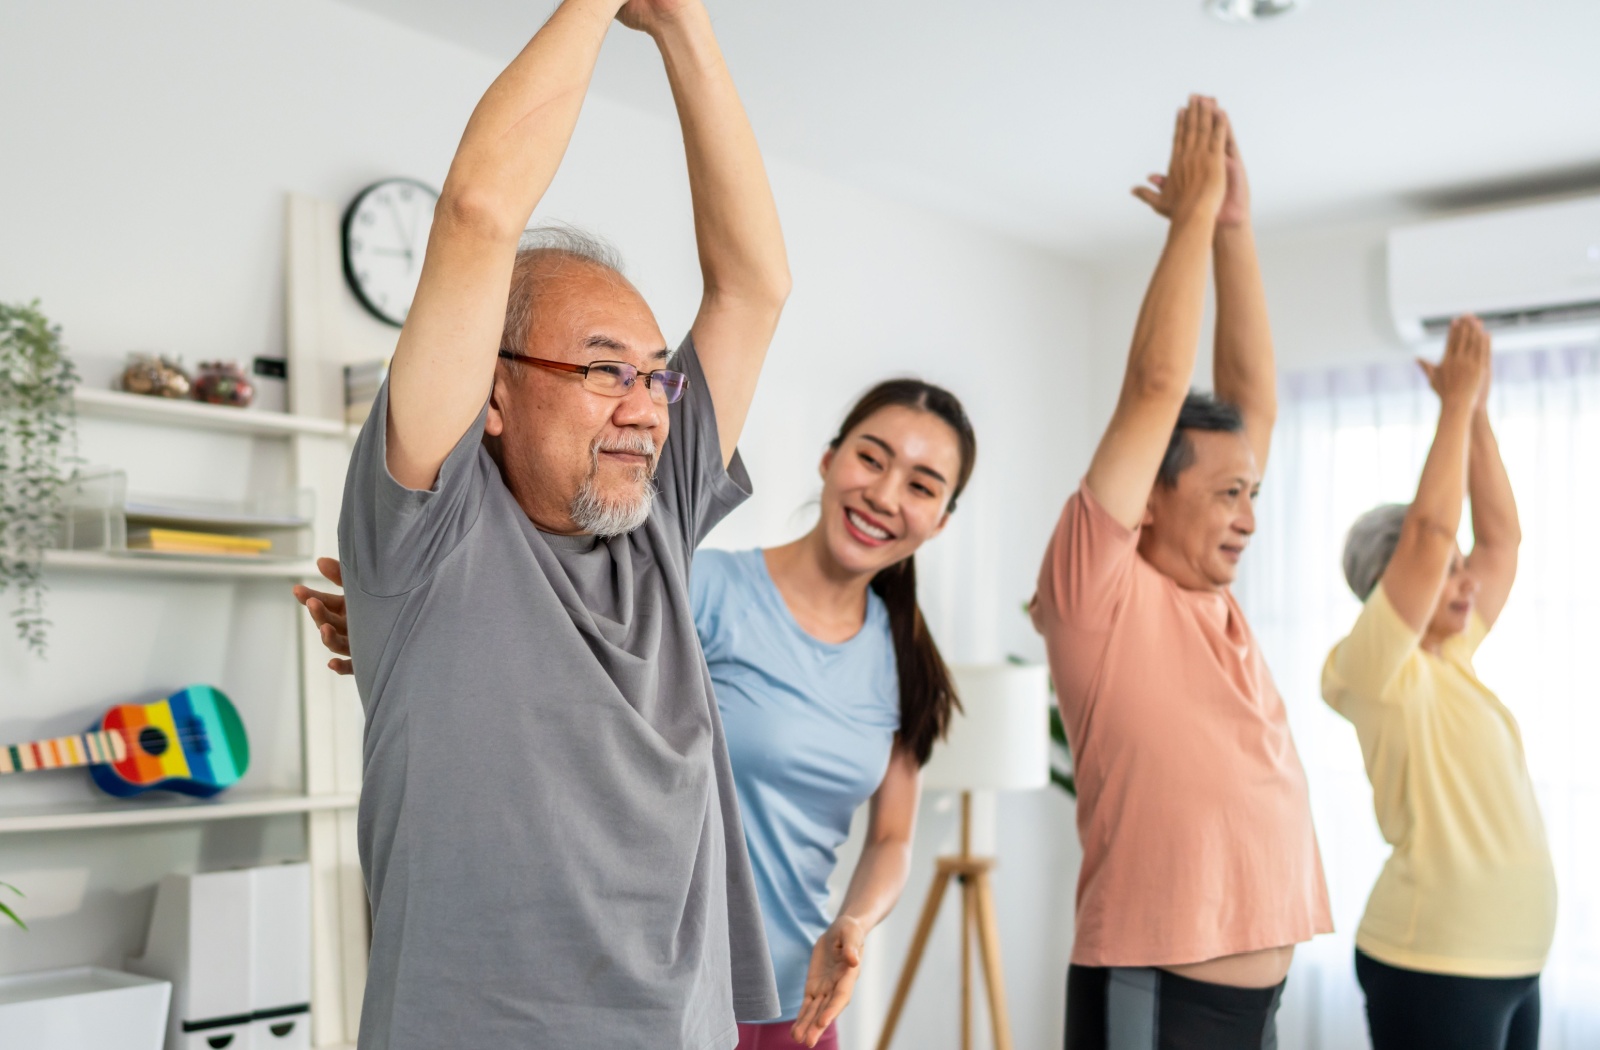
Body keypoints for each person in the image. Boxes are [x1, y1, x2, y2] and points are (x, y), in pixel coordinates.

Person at [312, 0, 791, 1045]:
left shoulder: (655, 514)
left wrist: (683, 29)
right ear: (492, 394)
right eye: (602, 369)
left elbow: (753, 287)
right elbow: (482, 210)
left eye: (654, 376)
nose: (645, 403)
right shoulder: (427, 536)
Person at [301, 379, 978, 1050]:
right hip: (672, 995)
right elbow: (561, 667)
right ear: (830, 461)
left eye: (921, 485)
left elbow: (892, 837)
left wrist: (852, 925)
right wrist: (410, 628)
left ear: (942, 519)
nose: (885, 495)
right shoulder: (704, 589)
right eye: (872, 458)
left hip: (802, 1004)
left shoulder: (908, 660)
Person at [1030, 96, 1331, 1049]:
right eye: (1228, 494)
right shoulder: (1096, 594)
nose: (1250, 515)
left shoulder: (1214, 603)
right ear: (1150, 497)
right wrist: (1193, 218)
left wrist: (1237, 230)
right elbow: (1155, 389)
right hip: (1154, 990)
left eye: (1254, 494)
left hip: (1253, 1000)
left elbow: (1253, 402)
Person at [1323, 316, 1556, 1050]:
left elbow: (1502, 539)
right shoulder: (1373, 669)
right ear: (1391, 588)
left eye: (1461, 570)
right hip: (1433, 962)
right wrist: (1452, 404)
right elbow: (1427, 537)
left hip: (1512, 963)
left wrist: (1477, 412)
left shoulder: (1450, 658)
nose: (1466, 583)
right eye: (1447, 572)